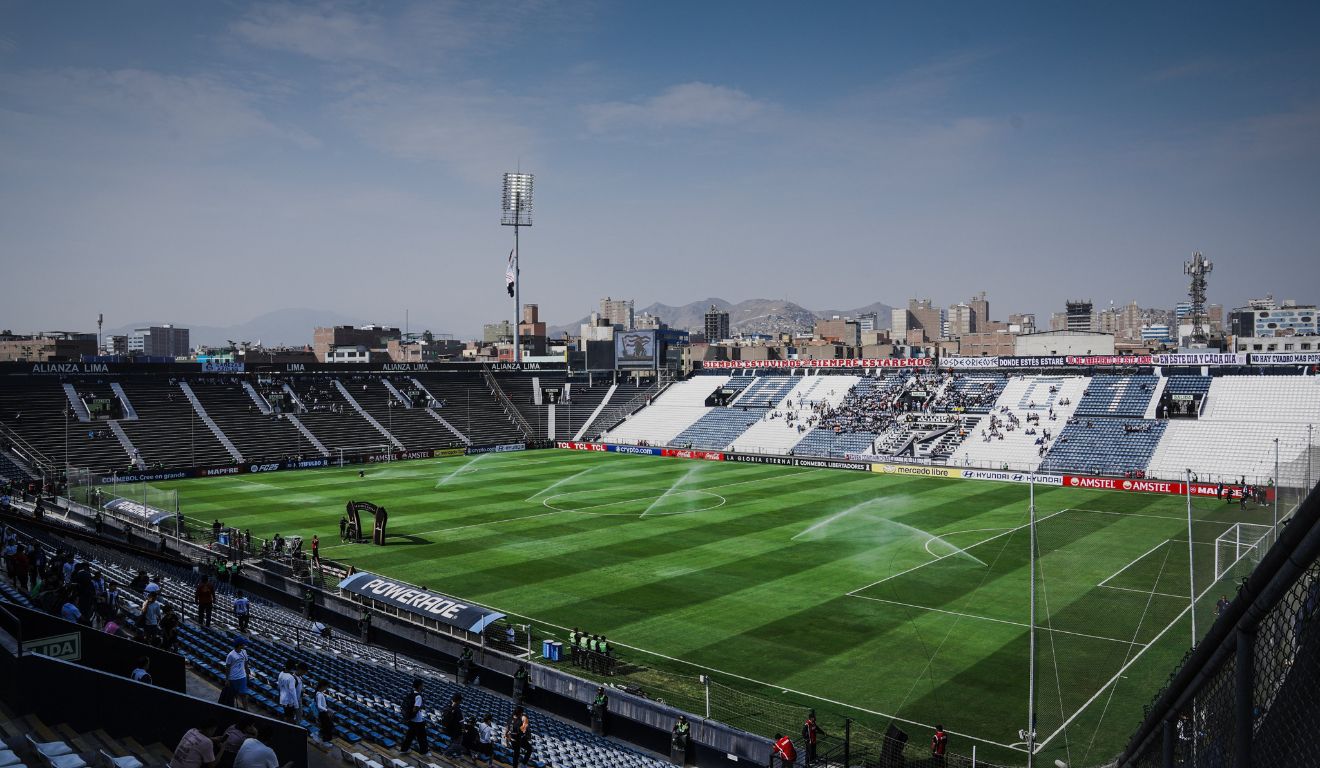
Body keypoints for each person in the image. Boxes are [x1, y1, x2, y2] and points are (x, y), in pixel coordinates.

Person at [399, 679, 428, 755]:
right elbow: (415, 708)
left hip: (411, 719)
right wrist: (421, 706)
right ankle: (424, 752)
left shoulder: (411, 694)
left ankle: (404, 749)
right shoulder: (418, 696)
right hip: (417, 720)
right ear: (419, 686)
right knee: (422, 737)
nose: (423, 686)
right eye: (422, 685)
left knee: (410, 736)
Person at [224, 637, 251, 710]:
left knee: (244, 695)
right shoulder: (231, 655)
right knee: (233, 695)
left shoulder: (244, 652)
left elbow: (246, 663)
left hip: (242, 677)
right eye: (243, 644)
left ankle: (246, 710)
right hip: (233, 678)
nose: (244, 646)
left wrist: (247, 673)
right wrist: (227, 679)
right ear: (239, 645)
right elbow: (227, 667)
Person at [277, 659, 302, 723]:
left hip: (283, 699)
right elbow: (293, 692)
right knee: (290, 717)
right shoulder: (291, 678)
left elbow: (279, 687)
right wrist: (296, 705)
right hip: (289, 701)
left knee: (287, 715)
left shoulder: (281, 674)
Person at [313, 680, 335, 746]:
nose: (326, 688)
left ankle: (318, 736)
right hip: (323, 714)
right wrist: (327, 710)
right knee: (327, 728)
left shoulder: (318, 693)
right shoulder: (319, 695)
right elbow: (319, 706)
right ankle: (325, 741)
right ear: (323, 686)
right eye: (326, 686)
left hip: (323, 713)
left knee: (326, 727)